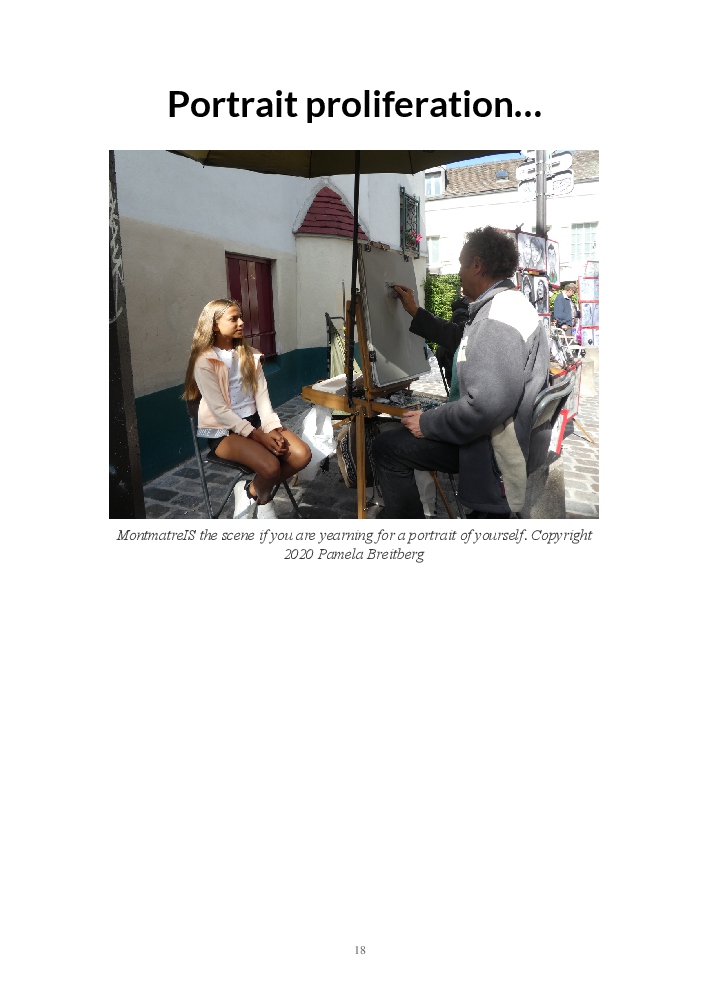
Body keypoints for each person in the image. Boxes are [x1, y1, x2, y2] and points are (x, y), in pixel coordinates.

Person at [374, 226, 549, 518]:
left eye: (461, 265)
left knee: (387, 448)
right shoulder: (505, 304)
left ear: (477, 265)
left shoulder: (496, 319)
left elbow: (483, 408)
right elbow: (462, 340)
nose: (458, 274)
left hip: (491, 450)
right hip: (498, 437)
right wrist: (415, 312)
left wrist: (428, 422)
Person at [183, 299, 311, 518]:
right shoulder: (204, 361)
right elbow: (220, 411)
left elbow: (262, 398)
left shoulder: (250, 355)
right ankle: (265, 500)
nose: (241, 322)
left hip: (256, 423)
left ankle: (251, 491)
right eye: (233, 319)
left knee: (302, 455)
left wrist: (270, 428)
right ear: (215, 325)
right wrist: (259, 436)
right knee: (270, 467)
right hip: (223, 432)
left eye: (240, 317)